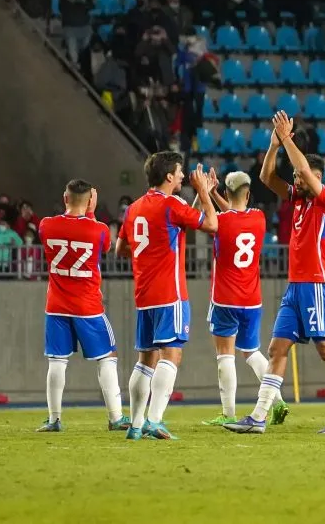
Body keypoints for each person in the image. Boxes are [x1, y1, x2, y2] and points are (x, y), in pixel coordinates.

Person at [225, 111, 325, 434]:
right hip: (295, 287)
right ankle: (258, 417)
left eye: (302, 177)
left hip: (316, 284)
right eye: (296, 178)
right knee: (276, 349)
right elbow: (267, 178)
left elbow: (304, 171)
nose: (296, 181)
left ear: (317, 178)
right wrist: (273, 146)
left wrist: (287, 139)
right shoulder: (297, 199)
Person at [116, 152, 218, 440]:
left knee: (145, 359)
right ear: (169, 176)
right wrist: (205, 193)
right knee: (171, 354)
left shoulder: (134, 208)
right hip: (170, 292)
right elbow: (212, 224)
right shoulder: (172, 204)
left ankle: (135, 425)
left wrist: (147, 251)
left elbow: (120, 249)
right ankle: (155, 420)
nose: (184, 176)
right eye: (180, 172)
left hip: (145, 294)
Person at [36, 180, 129, 433]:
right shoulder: (97, 229)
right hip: (87, 306)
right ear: (90, 200)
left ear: (65, 198)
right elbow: (104, 247)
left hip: (56, 305)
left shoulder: (46, 225)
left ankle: (54, 419)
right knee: (108, 358)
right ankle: (116, 417)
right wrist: (91, 212)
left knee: (56, 362)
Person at [200, 170, 288, 428]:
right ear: (248, 194)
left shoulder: (221, 222)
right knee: (251, 352)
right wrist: (216, 194)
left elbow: (219, 219)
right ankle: (277, 400)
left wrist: (206, 192)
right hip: (252, 299)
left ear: (226, 193)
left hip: (225, 298)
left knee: (224, 355)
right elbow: (235, 213)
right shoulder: (259, 218)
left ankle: (228, 413)